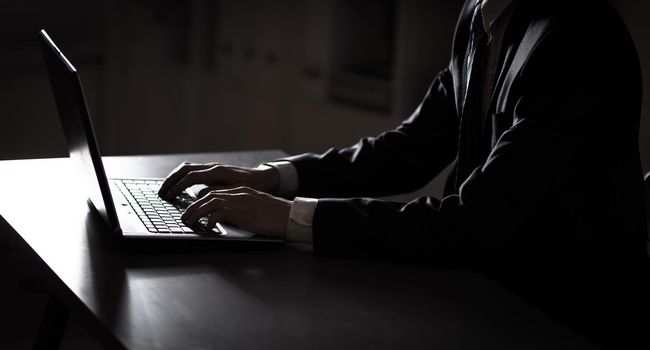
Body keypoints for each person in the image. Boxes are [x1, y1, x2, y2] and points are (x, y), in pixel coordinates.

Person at [158, 0, 649, 347]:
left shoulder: (578, 40)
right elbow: (409, 149)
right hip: (484, 289)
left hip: (557, 317)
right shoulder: (483, 14)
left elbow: (476, 223)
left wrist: (290, 218)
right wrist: (275, 178)